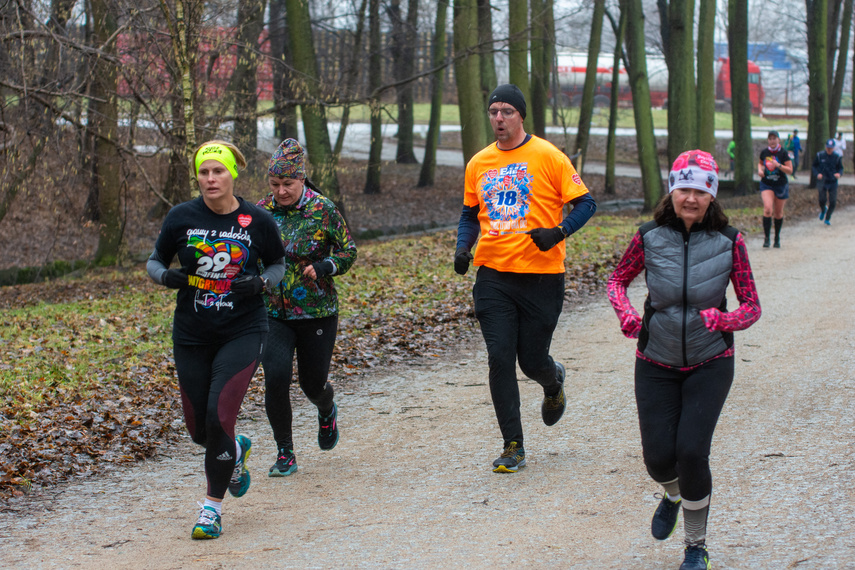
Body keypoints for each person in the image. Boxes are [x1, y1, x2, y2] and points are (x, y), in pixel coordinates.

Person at [607, 150, 761, 570]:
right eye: (683, 188)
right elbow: (618, 280)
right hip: (655, 359)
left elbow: (751, 306)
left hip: (711, 360)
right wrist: (627, 313)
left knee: (692, 452)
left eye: (699, 189)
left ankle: (696, 546)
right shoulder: (648, 236)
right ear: (672, 190)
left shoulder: (731, 242)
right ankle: (672, 495)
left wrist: (724, 318)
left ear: (712, 195)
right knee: (658, 457)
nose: (690, 198)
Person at [147, 140, 287, 539]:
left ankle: (211, 510)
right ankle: (237, 450)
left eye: (218, 171)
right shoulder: (180, 217)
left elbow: (277, 264)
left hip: (243, 329)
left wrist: (260, 282)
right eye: (204, 172)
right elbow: (155, 261)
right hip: (192, 333)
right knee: (199, 432)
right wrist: (165, 277)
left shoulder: (257, 220)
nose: (210, 179)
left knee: (218, 416)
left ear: (232, 175)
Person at [454, 83, 597, 473]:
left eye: (506, 111)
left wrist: (559, 232)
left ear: (520, 116)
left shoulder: (548, 156)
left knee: (532, 360)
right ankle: (512, 445)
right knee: (500, 358)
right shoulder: (478, 163)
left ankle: (552, 383)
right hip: (494, 276)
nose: (498, 118)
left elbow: (586, 203)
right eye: (493, 111)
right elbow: (470, 213)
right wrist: (463, 248)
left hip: (541, 276)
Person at [257, 139, 357, 477]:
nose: (281, 191)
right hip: (272, 312)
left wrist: (327, 266)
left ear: (302, 179)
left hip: (317, 311)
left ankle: (326, 409)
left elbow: (348, 251)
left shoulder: (323, 209)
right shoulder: (260, 212)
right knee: (276, 377)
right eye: (275, 184)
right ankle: (285, 452)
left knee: (311, 384)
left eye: (288, 184)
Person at [757, 130, 793, 248]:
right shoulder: (764, 152)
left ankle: (777, 237)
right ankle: (766, 238)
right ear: (768, 140)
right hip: (767, 184)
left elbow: (790, 170)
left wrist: (779, 165)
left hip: (781, 184)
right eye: (770, 139)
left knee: (778, 213)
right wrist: (760, 170)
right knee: (767, 209)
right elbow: (760, 163)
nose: (772, 141)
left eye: (774, 138)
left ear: (778, 140)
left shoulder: (783, 153)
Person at [813, 138, 844, 225]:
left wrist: (839, 174)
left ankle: (827, 218)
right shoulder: (820, 155)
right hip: (822, 181)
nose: (829, 149)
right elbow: (814, 166)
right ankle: (823, 210)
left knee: (833, 201)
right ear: (825, 147)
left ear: (834, 148)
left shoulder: (837, 157)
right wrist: (817, 174)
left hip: (832, 181)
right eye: (828, 148)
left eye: (831, 148)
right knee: (822, 199)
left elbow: (841, 168)